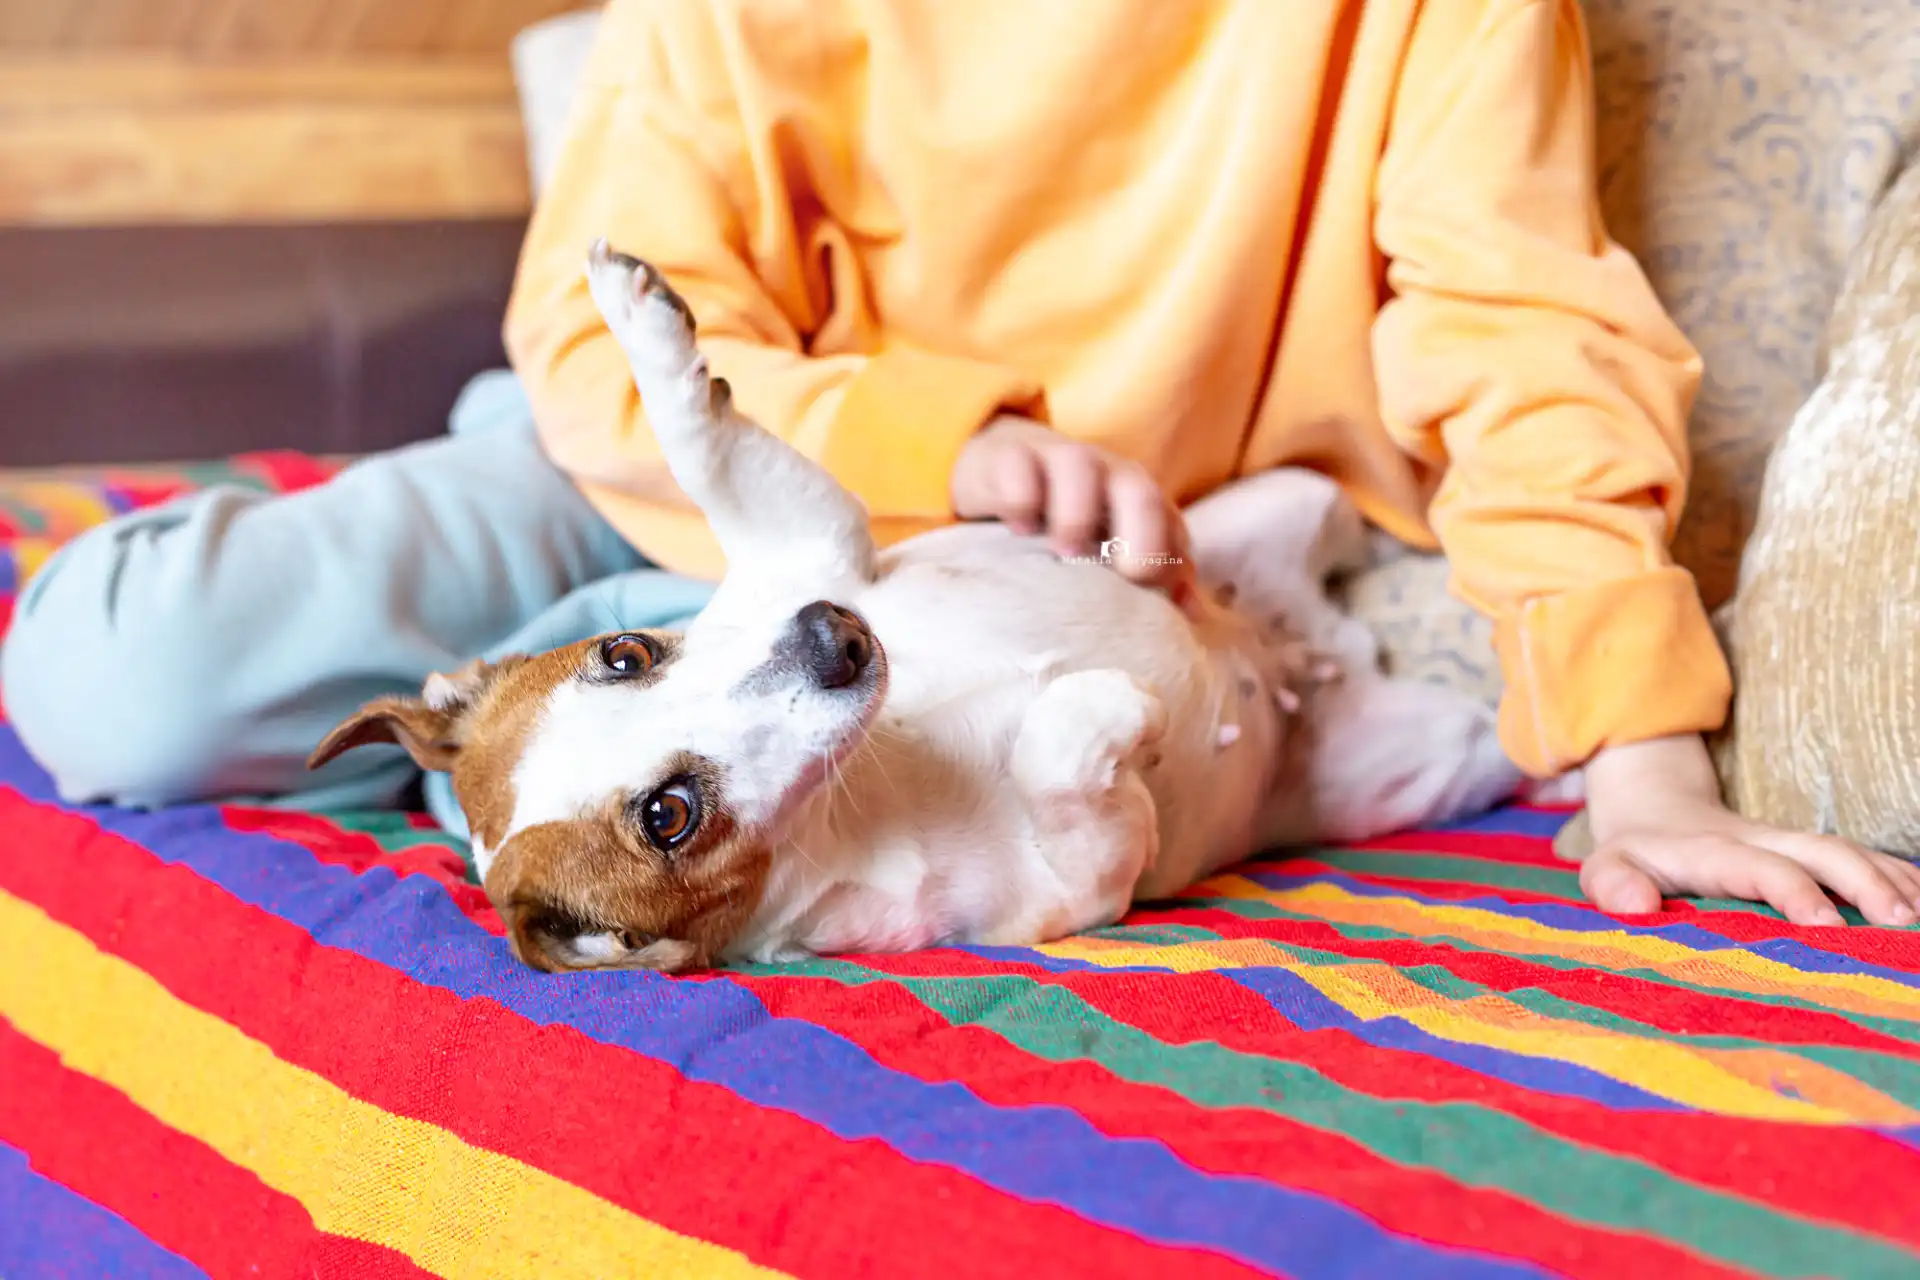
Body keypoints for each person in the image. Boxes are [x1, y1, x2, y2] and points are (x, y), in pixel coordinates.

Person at [5, 0, 1916, 927]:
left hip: (1051, 591)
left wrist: (1641, 752)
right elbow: (613, 327)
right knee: (114, 684)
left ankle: (574, 750)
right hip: (689, 480)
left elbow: (1530, 337)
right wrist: (940, 441)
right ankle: (549, 719)